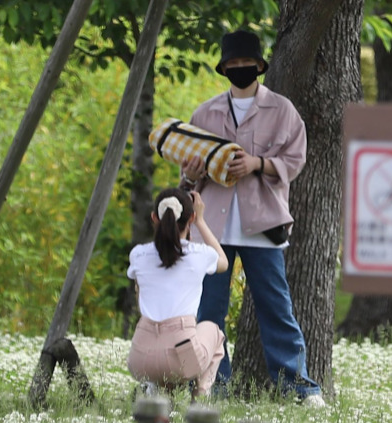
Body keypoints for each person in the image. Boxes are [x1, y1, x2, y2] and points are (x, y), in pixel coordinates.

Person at [180, 29, 325, 406]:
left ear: (260, 66)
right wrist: (191, 171)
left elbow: (296, 160)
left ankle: (299, 387)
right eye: (233, 64)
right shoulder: (205, 112)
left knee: (275, 306)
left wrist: (258, 163)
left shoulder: (283, 110)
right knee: (209, 310)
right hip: (211, 229)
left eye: (247, 63)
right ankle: (213, 386)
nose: (240, 68)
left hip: (263, 225)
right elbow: (187, 175)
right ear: (224, 68)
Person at [127, 187, 228, 399]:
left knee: (163, 348)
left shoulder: (138, 254)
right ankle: (201, 393)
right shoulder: (199, 254)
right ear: (190, 217)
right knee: (214, 332)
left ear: (155, 217)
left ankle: (156, 389)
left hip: (140, 359)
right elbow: (223, 262)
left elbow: (140, 297)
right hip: (181, 360)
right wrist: (201, 221)